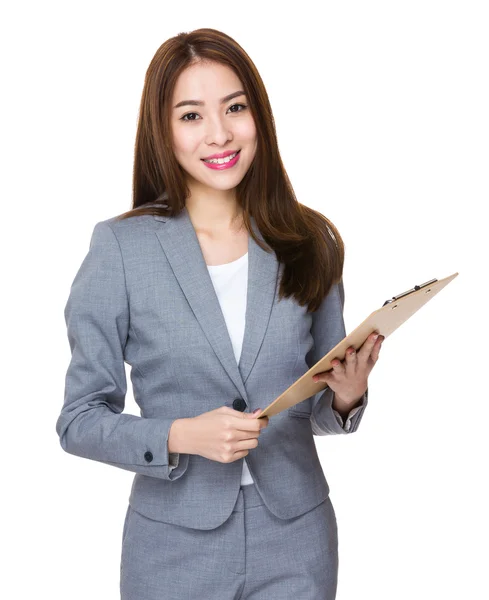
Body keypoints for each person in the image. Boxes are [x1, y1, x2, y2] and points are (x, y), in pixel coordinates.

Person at [56, 27, 384, 600]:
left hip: (298, 541)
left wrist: (347, 396)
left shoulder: (310, 240)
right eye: (191, 115)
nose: (220, 133)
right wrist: (181, 434)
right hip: (173, 548)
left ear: (259, 113)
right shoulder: (121, 249)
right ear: (163, 131)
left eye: (235, 107)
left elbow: (319, 410)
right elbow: (79, 420)